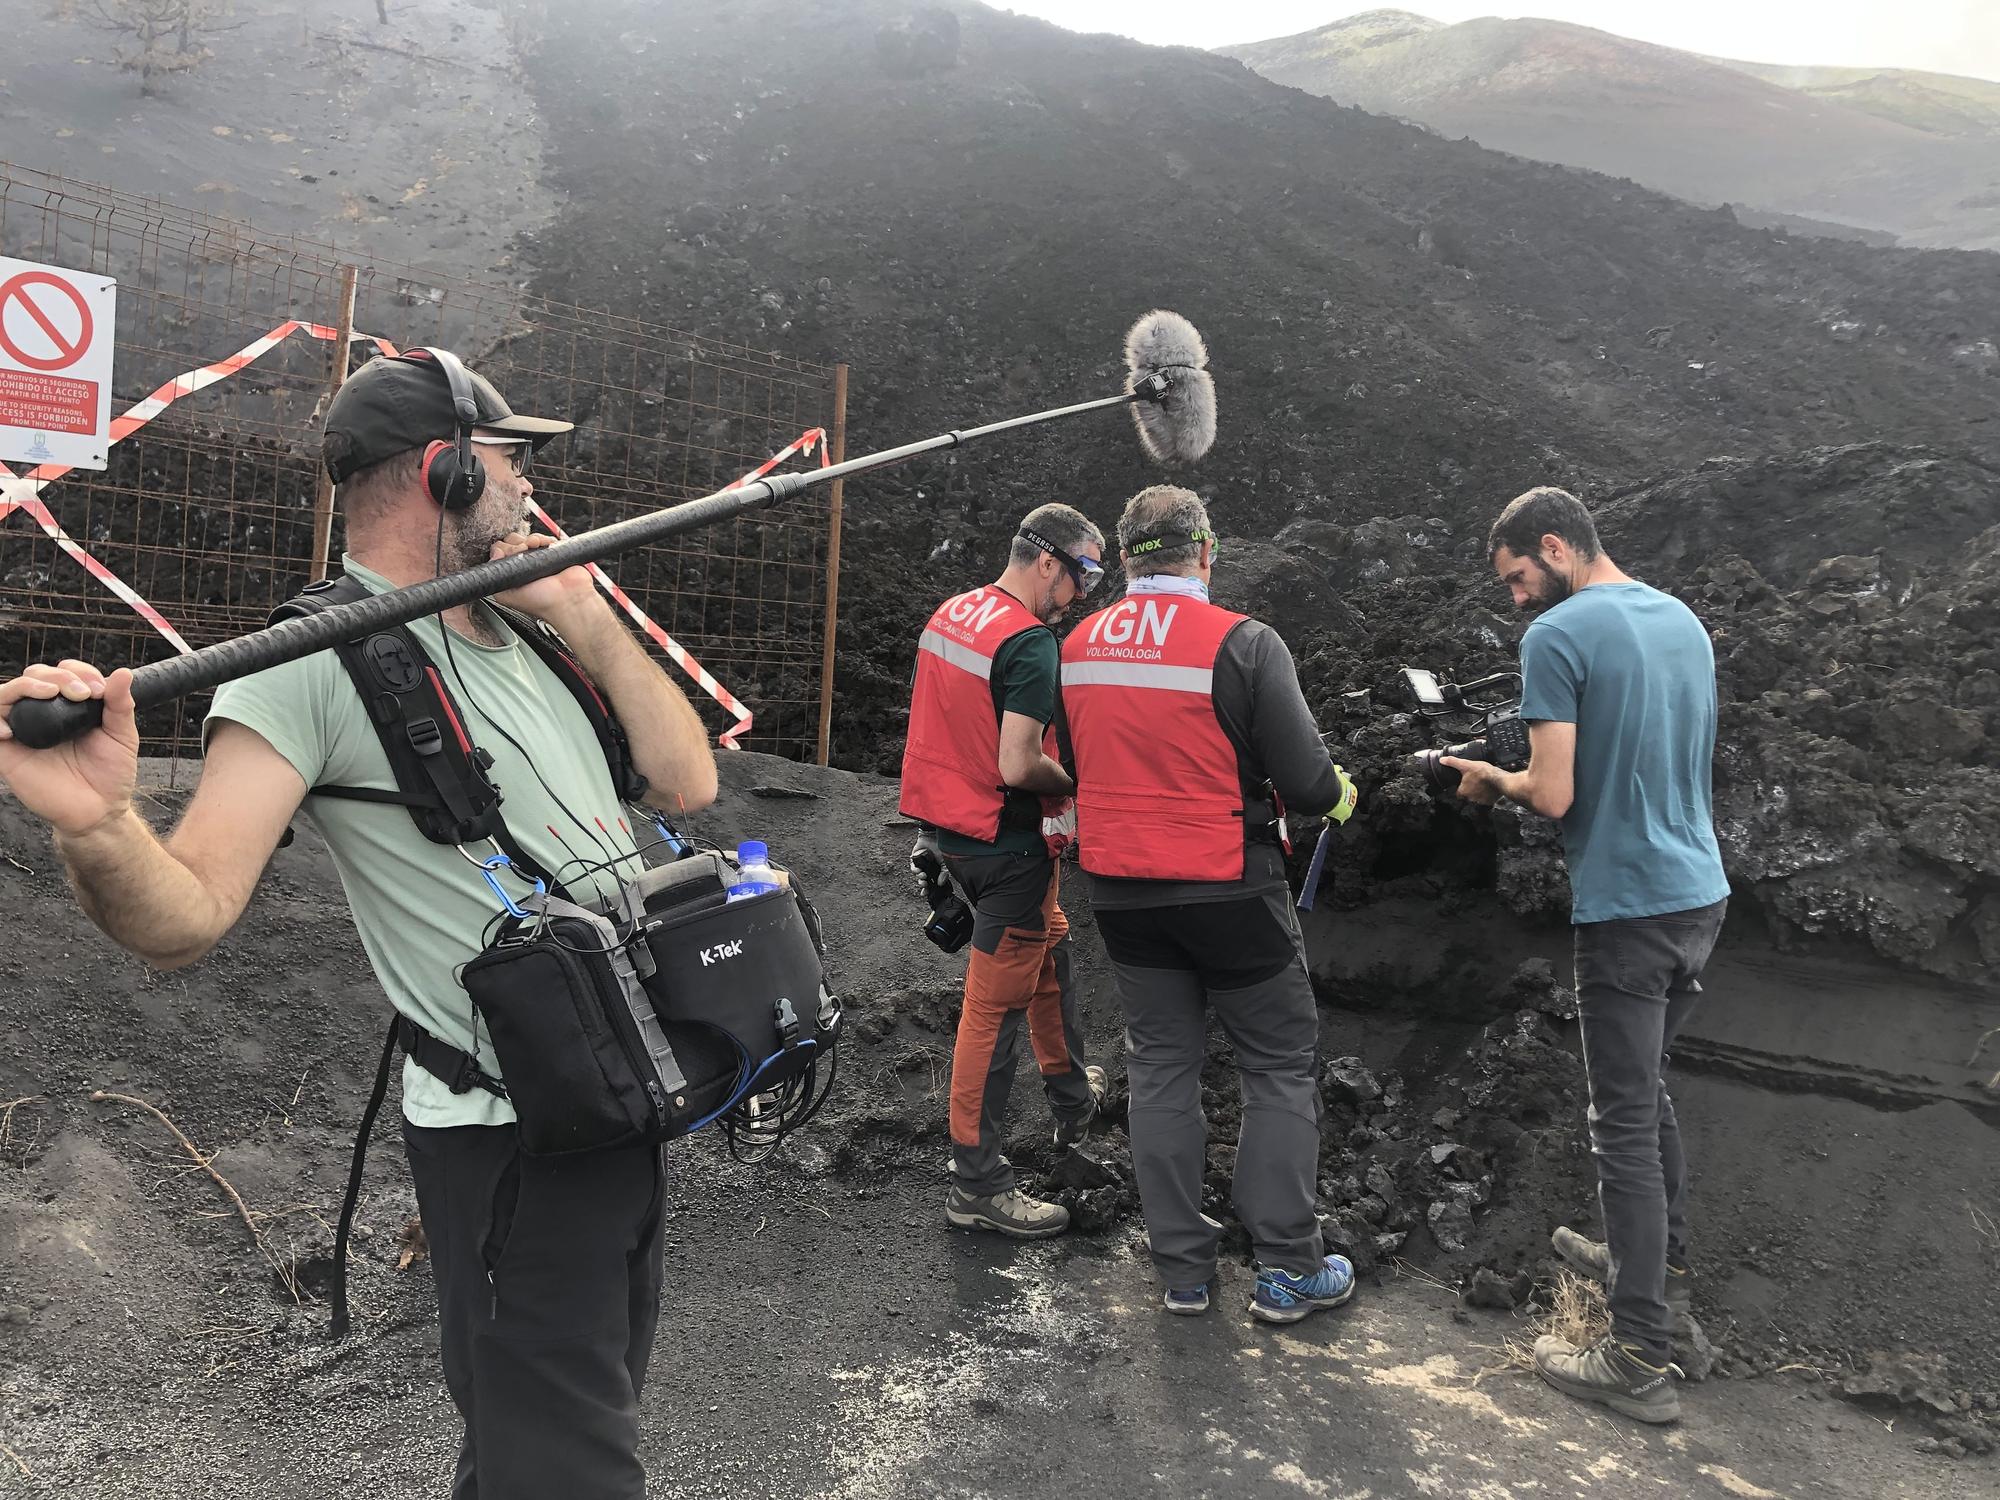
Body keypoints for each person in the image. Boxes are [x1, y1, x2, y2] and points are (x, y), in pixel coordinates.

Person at [0, 350, 719, 1496]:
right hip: (511, 1141)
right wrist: (99, 826)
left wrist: (583, 610)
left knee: (547, 1441)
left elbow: (686, 786)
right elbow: (185, 918)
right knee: (567, 1466)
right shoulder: (309, 666)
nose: (533, 490)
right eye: (511, 461)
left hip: (623, 1103)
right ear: (441, 472)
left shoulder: (525, 629)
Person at [1447, 484, 1729, 1425]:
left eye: (1521, 577)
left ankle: (1639, 1353)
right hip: (1700, 896)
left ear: (1556, 547)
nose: (1518, 599)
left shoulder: (1554, 640)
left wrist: (1495, 778)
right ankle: (1659, 1276)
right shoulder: (1681, 619)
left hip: (1628, 909)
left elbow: (1556, 794)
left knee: (1620, 1122)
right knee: (1648, 1092)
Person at [1060, 484, 1360, 1324]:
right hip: (1230, 886)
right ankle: (1289, 1269)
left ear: (1123, 559)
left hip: (1121, 894)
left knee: (1160, 1067)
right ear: (1208, 552)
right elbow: (1304, 781)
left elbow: (1076, 759)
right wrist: (1341, 796)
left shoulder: (1078, 645)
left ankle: (1184, 1273)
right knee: (1276, 1066)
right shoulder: (1246, 644)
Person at [898, 503, 1109, 1238]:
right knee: (991, 1017)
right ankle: (978, 1184)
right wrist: (1077, 789)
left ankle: (1072, 1099)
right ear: (1047, 560)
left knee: (1052, 954)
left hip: (953, 837)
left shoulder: (953, 615)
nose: (1080, 595)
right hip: (1007, 847)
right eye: (1081, 576)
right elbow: (1018, 762)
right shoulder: (1028, 644)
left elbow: (938, 728)